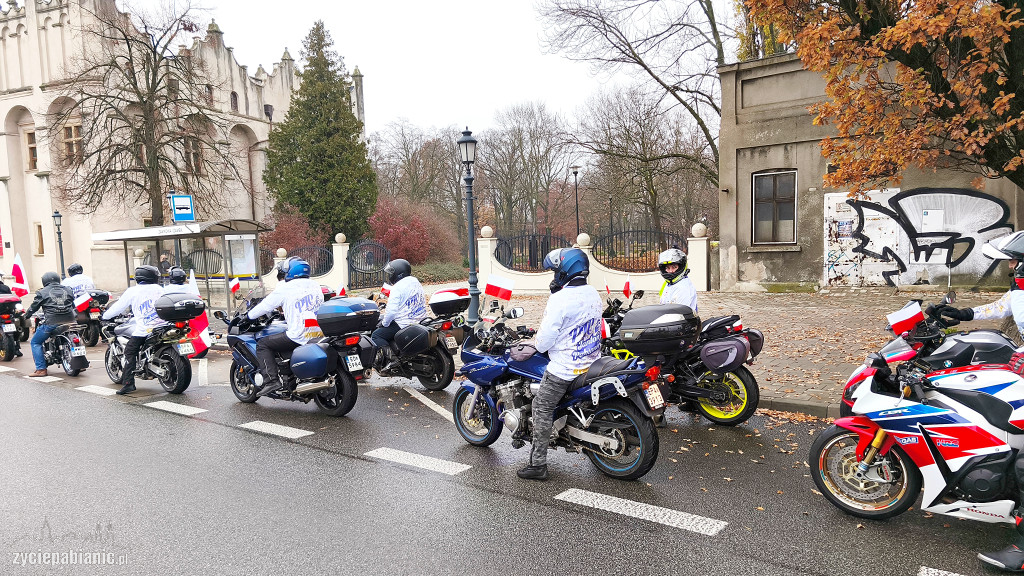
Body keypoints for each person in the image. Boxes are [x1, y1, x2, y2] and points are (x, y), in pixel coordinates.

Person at [936, 231, 1024, 571]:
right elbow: (1001, 306)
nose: (1010, 268)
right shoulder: (1020, 291)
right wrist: (963, 314)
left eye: (1014, 262)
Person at [518, 247, 603, 481]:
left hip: (566, 368)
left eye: (556, 271)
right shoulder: (593, 293)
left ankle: (537, 465)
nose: (554, 275)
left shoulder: (560, 299)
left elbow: (544, 343)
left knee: (541, 406)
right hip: (592, 363)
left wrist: (535, 342)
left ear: (565, 271)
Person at [245, 258, 323, 396]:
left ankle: (271, 381)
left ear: (290, 272)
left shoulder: (286, 288)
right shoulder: (315, 285)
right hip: (318, 333)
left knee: (263, 344)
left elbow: (265, 305)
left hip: (299, 334)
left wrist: (249, 316)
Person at [101, 265, 167, 394]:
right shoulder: (160, 289)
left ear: (138, 277)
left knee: (129, 353)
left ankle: (128, 384)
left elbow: (118, 308)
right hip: (164, 325)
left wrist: (105, 316)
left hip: (146, 329)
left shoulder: (133, 291)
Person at [371, 259, 427, 370]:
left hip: (404, 323)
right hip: (421, 320)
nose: (390, 275)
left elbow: (391, 312)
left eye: (391, 273)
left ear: (398, 273)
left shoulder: (397, 287)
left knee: (377, 335)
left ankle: (392, 360)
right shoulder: (415, 281)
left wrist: (384, 323)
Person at [25, 272, 76, 377]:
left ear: (44, 281)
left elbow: (33, 307)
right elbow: (72, 304)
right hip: (71, 321)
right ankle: (79, 363)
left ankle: (41, 369)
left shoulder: (42, 292)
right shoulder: (68, 289)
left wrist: (26, 315)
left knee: (35, 342)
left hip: (52, 322)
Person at [658, 247, 697, 312]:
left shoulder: (683, 287)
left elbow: (678, 312)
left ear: (681, 267)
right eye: (667, 268)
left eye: (674, 267)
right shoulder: (669, 284)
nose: (670, 271)